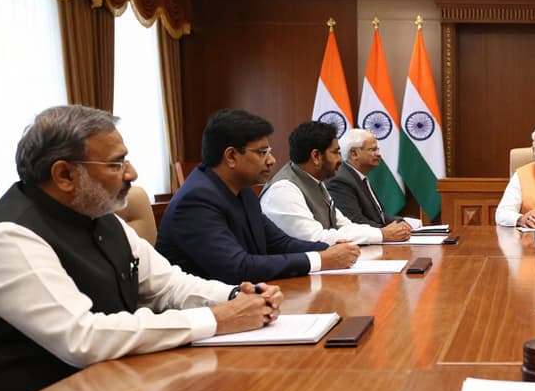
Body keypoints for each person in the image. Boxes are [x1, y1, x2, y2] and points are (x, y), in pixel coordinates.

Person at [0, 105, 282, 391]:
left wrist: (240, 295)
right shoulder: (8, 237)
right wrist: (219, 318)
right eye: (116, 163)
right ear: (64, 175)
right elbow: (83, 337)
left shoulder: (100, 216)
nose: (132, 173)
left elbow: (169, 286)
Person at [156, 110, 360, 284]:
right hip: (203, 312)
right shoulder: (195, 201)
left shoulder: (242, 190)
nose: (272, 160)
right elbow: (238, 267)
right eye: (262, 152)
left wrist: (332, 248)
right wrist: (322, 259)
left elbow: (279, 243)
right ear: (231, 156)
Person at [261, 121, 411, 244]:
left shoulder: (316, 182)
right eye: (336, 152)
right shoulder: (284, 190)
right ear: (316, 156)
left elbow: (344, 226)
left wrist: (382, 233)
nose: (341, 159)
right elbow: (315, 238)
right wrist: (382, 235)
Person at [326, 128, 422, 232]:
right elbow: (354, 222)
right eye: (373, 150)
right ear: (354, 153)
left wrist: (403, 222)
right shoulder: (340, 180)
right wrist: (386, 232)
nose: (379, 154)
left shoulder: (358, 176)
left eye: (377, 149)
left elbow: (379, 216)